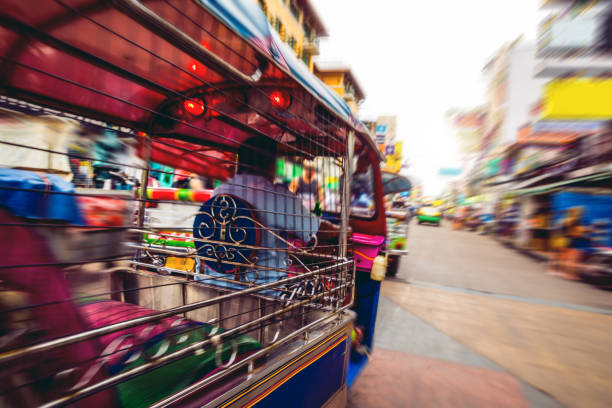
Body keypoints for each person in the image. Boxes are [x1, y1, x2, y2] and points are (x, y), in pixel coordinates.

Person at [197, 136, 340, 291]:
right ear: (270, 164)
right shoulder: (277, 195)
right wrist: (340, 231)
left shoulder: (220, 190)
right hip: (261, 293)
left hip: (210, 284)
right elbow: (317, 229)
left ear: (240, 162)